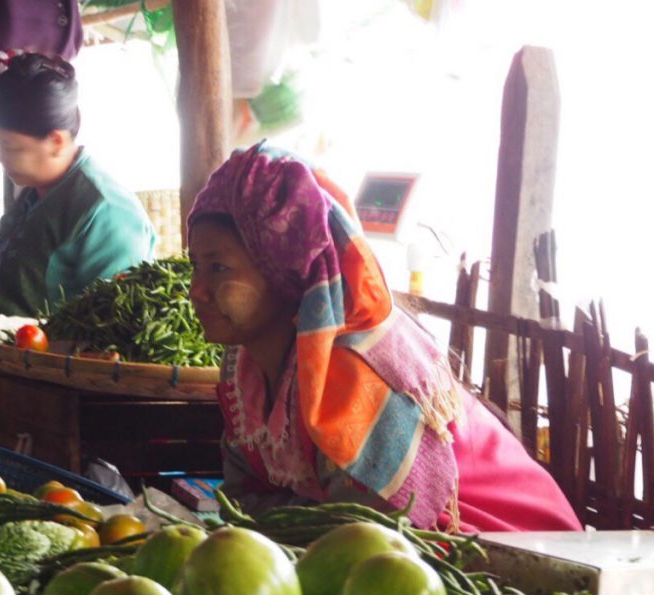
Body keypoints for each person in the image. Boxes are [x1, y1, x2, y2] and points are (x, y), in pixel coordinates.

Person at [187, 141, 582, 533]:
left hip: (517, 551)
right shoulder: (246, 369)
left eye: (218, 268)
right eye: (195, 267)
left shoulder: (355, 372)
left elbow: (365, 534)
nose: (196, 290)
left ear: (282, 271)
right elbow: (243, 499)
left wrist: (285, 518)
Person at [0, 53, 156, 339]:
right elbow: (25, 294)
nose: (1, 158)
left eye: (11, 147)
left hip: (37, 377)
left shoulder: (106, 212)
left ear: (56, 141)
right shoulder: (34, 194)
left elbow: (113, 328)